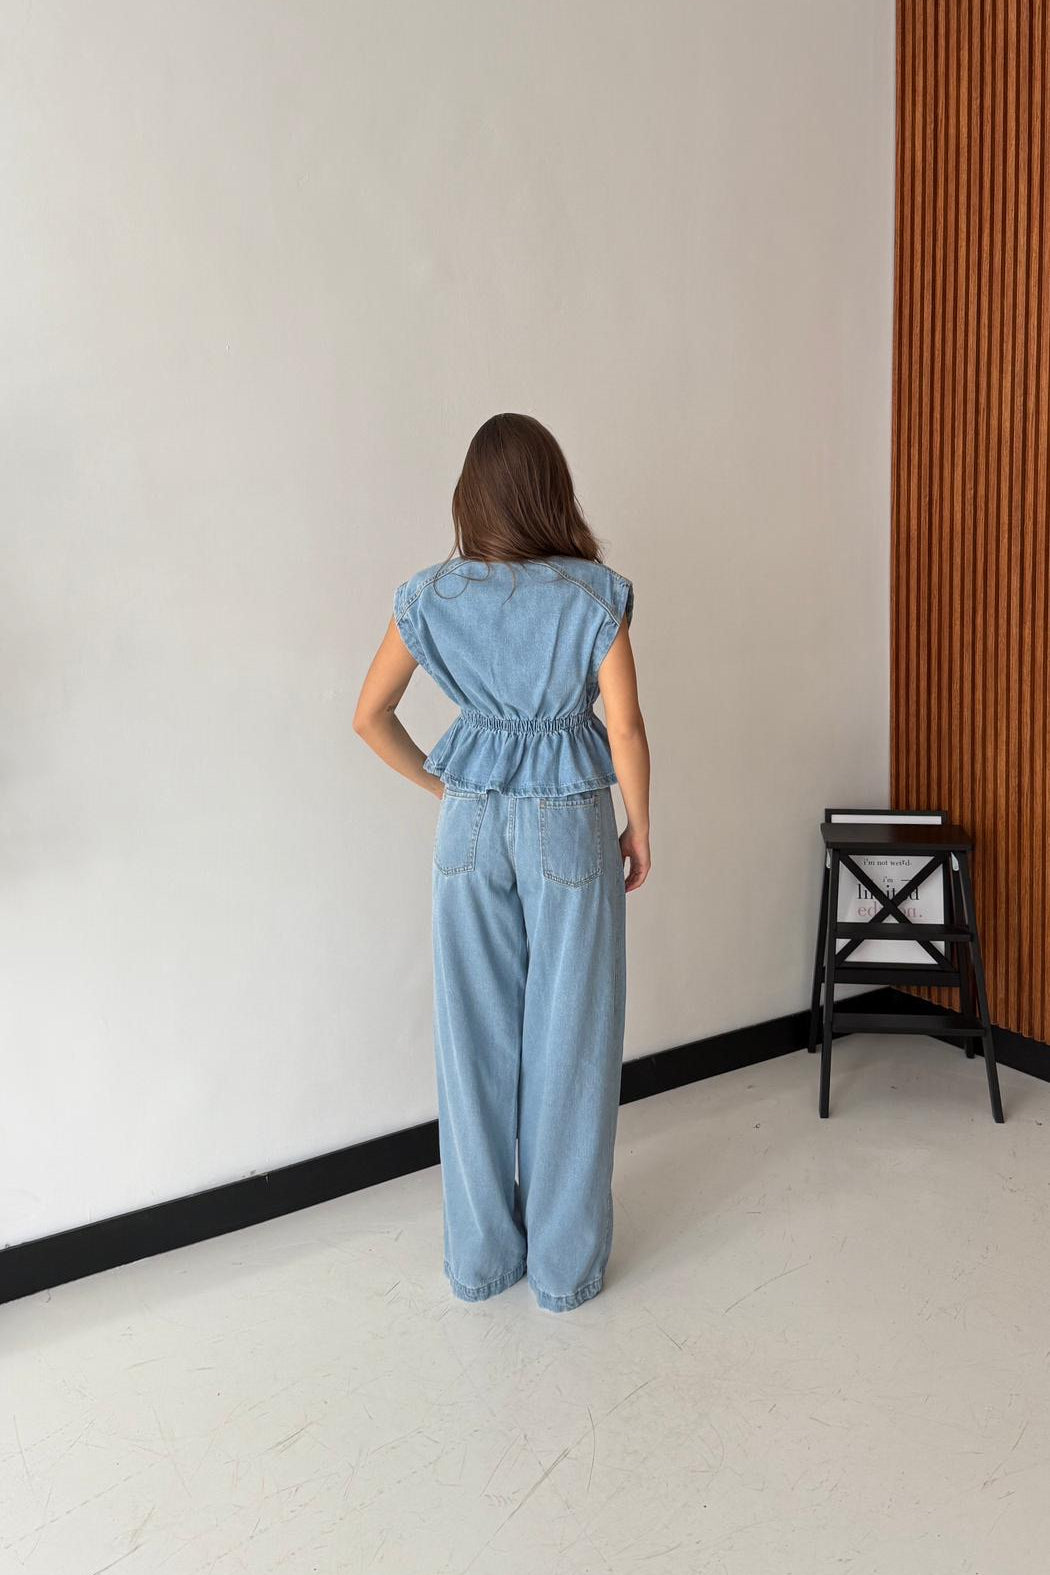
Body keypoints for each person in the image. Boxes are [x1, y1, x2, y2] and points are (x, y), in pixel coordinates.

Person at [354, 412, 651, 1313]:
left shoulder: (431, 595)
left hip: (471, 826)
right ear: (551, 492)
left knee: (472, 1040)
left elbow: (369, 715)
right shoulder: (593, 595)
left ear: (470, 499)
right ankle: (563, 1268)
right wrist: (640, 824)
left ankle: (482, 1260)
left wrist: (444, 787)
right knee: (574, 1039)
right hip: (571, 825)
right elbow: (626, 726)